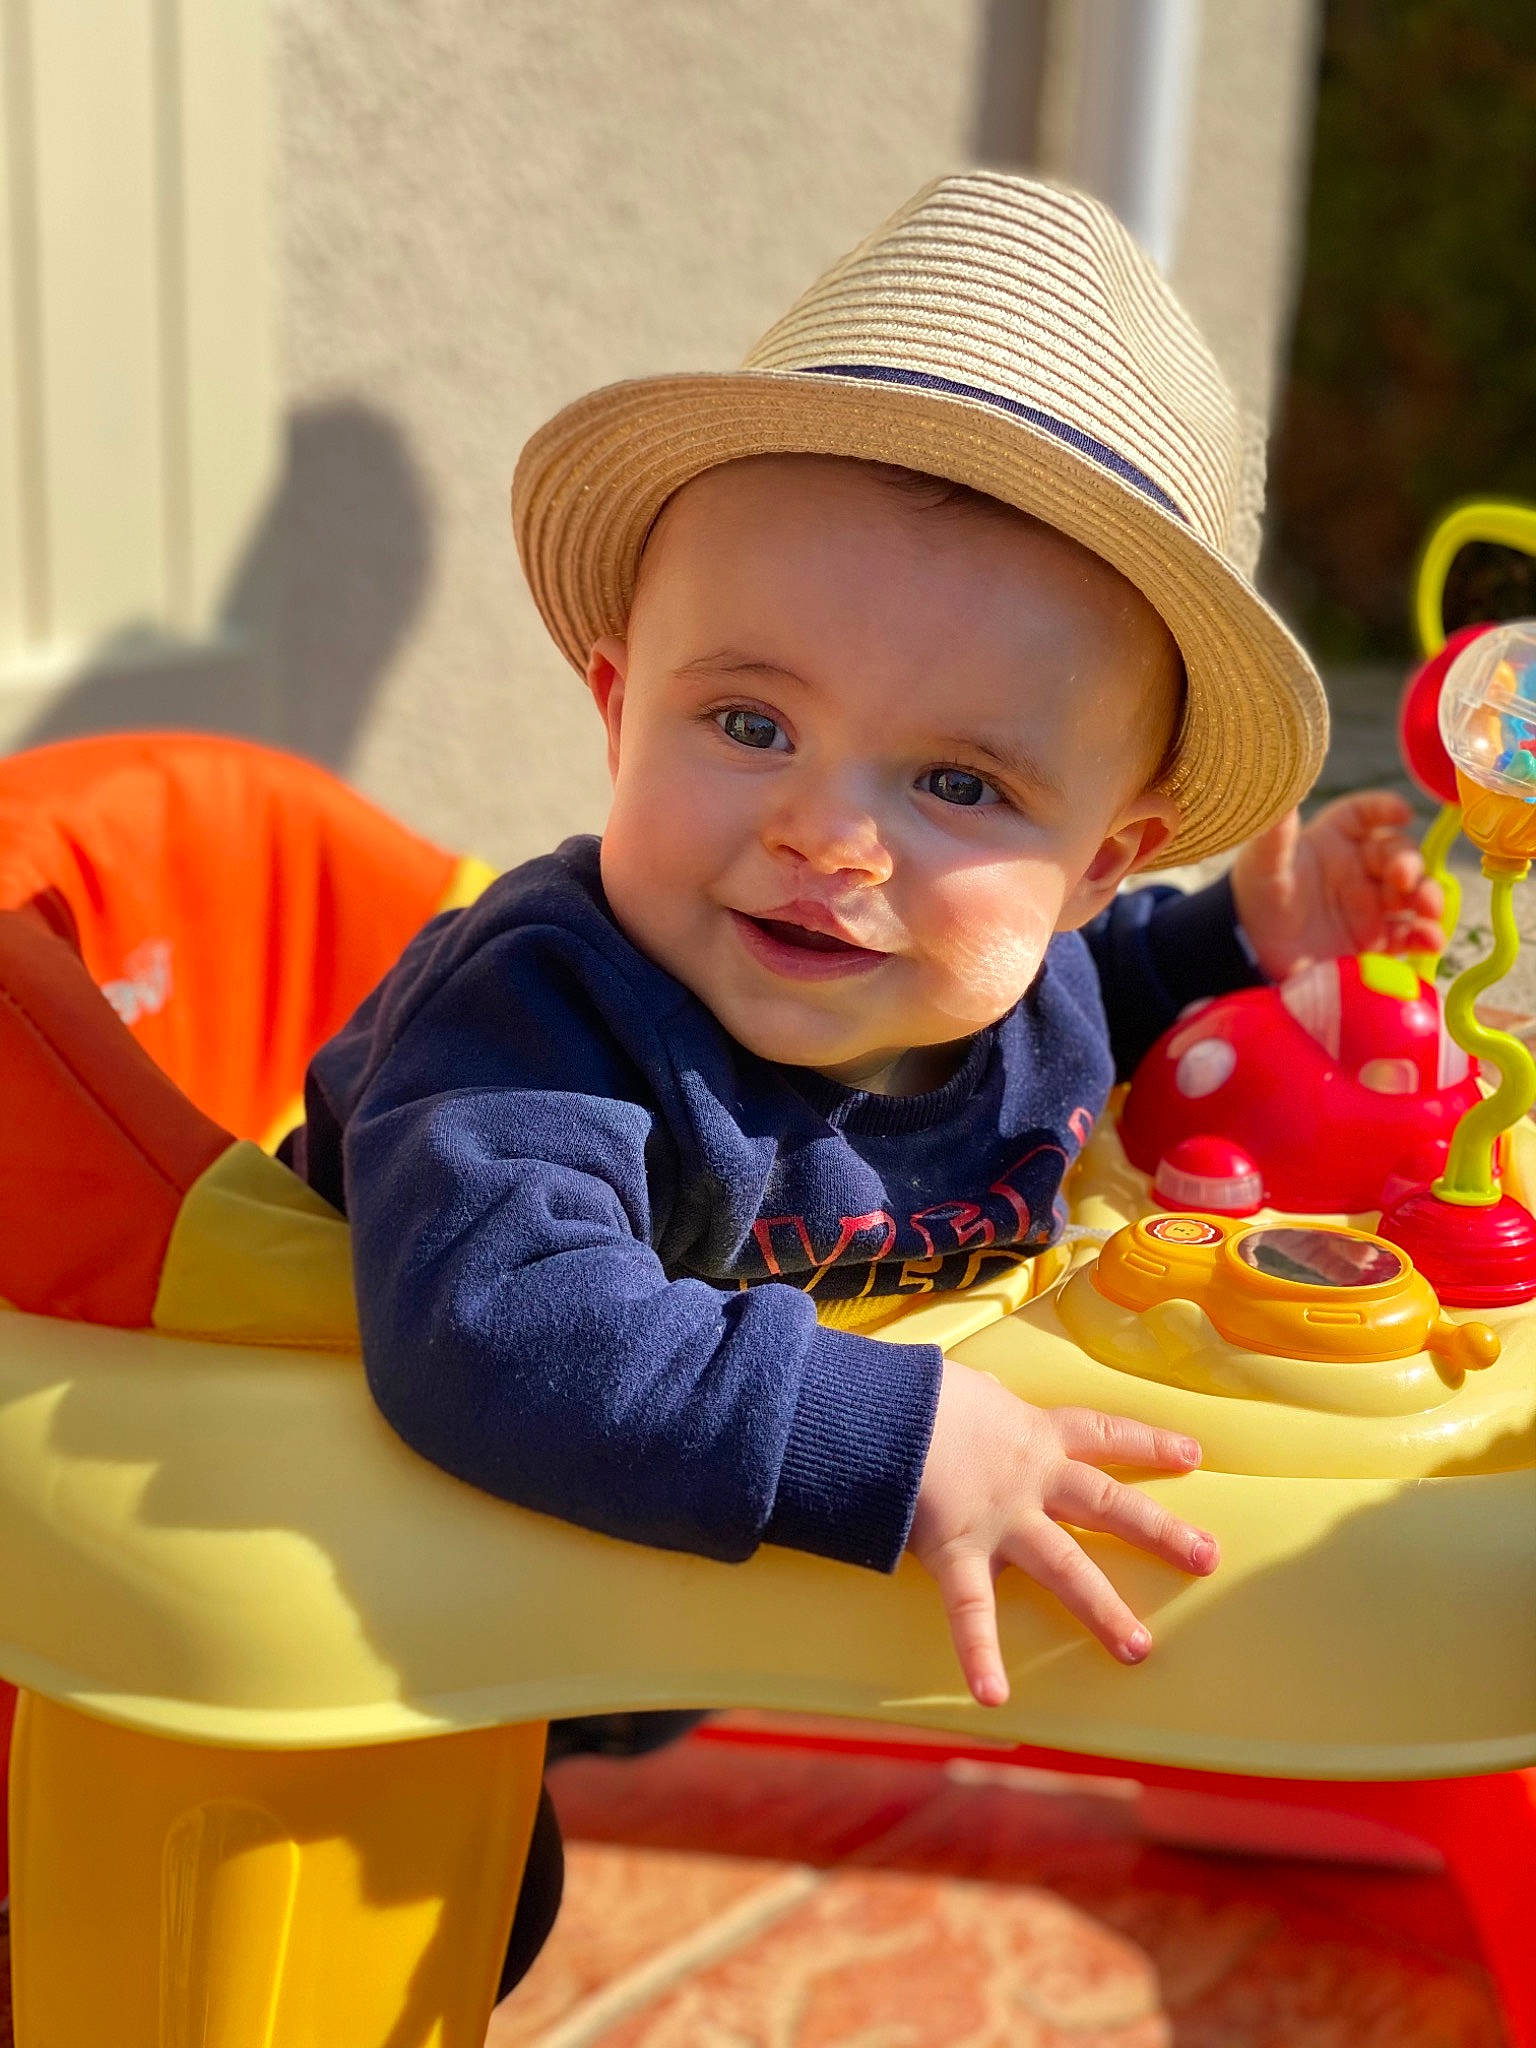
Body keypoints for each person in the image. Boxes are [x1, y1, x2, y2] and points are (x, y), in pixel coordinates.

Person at [282, 173, 1443, 1992]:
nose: (825, 832)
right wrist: (888, 1437)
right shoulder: (539, 1020)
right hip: (371, 1608)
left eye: (959, 787)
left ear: (1097, 866)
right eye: (750, 726)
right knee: (430, 1926)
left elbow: (1077, 1012)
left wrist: (1239, 934)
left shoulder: (1016, 964)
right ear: (615, 710)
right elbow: (493, 1320)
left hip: (629, 1604)